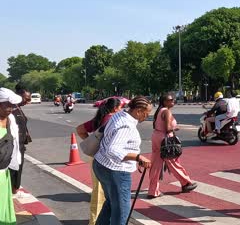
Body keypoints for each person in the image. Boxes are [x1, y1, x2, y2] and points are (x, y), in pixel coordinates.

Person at [92, 96, 152, 225]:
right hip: (115, 170)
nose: (147, 116)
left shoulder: (119, 115)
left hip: (101, 164)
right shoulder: (126, 125)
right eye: (147, 113)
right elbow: (113, 150)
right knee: (121, 211)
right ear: (138, 111)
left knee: (110, 203)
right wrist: (137, 157)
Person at [76, 98, 122, 225]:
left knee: (100, 190)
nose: (121, 110)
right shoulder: (112, 119)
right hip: (106, 159)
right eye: (120, 107)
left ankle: (99, 219)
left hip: (96, 156)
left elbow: (80, 129)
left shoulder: (99, 119)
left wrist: (92, 143)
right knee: (101, 192)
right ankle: (95, 221)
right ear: (114, 108)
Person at [147, 93, 197, 199]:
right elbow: (168, 128)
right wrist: (175, 128)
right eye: (170, 100)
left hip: (156, 136)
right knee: (173, 162)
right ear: (165, 101)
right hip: (165, 138)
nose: (173, 101)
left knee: (155, 165)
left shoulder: (159, 111)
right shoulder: (166, 111)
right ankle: (186, 183)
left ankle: (152, 190)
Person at [0, 87, 23, 224]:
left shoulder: (11, 119)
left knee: (4, 208)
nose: (11, 108)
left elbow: (14, 143)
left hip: (5, 173)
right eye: (8, 105)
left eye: (13, 105)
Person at [10, 84, 32, 197]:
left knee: (18, 168)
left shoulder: (17, 108)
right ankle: (14, 191)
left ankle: (15, 189)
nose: (28, 101)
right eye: (26, 98)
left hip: (20, 144)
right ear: (19, 96)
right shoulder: (11, 109)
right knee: (15, 168)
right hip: (14, 146)